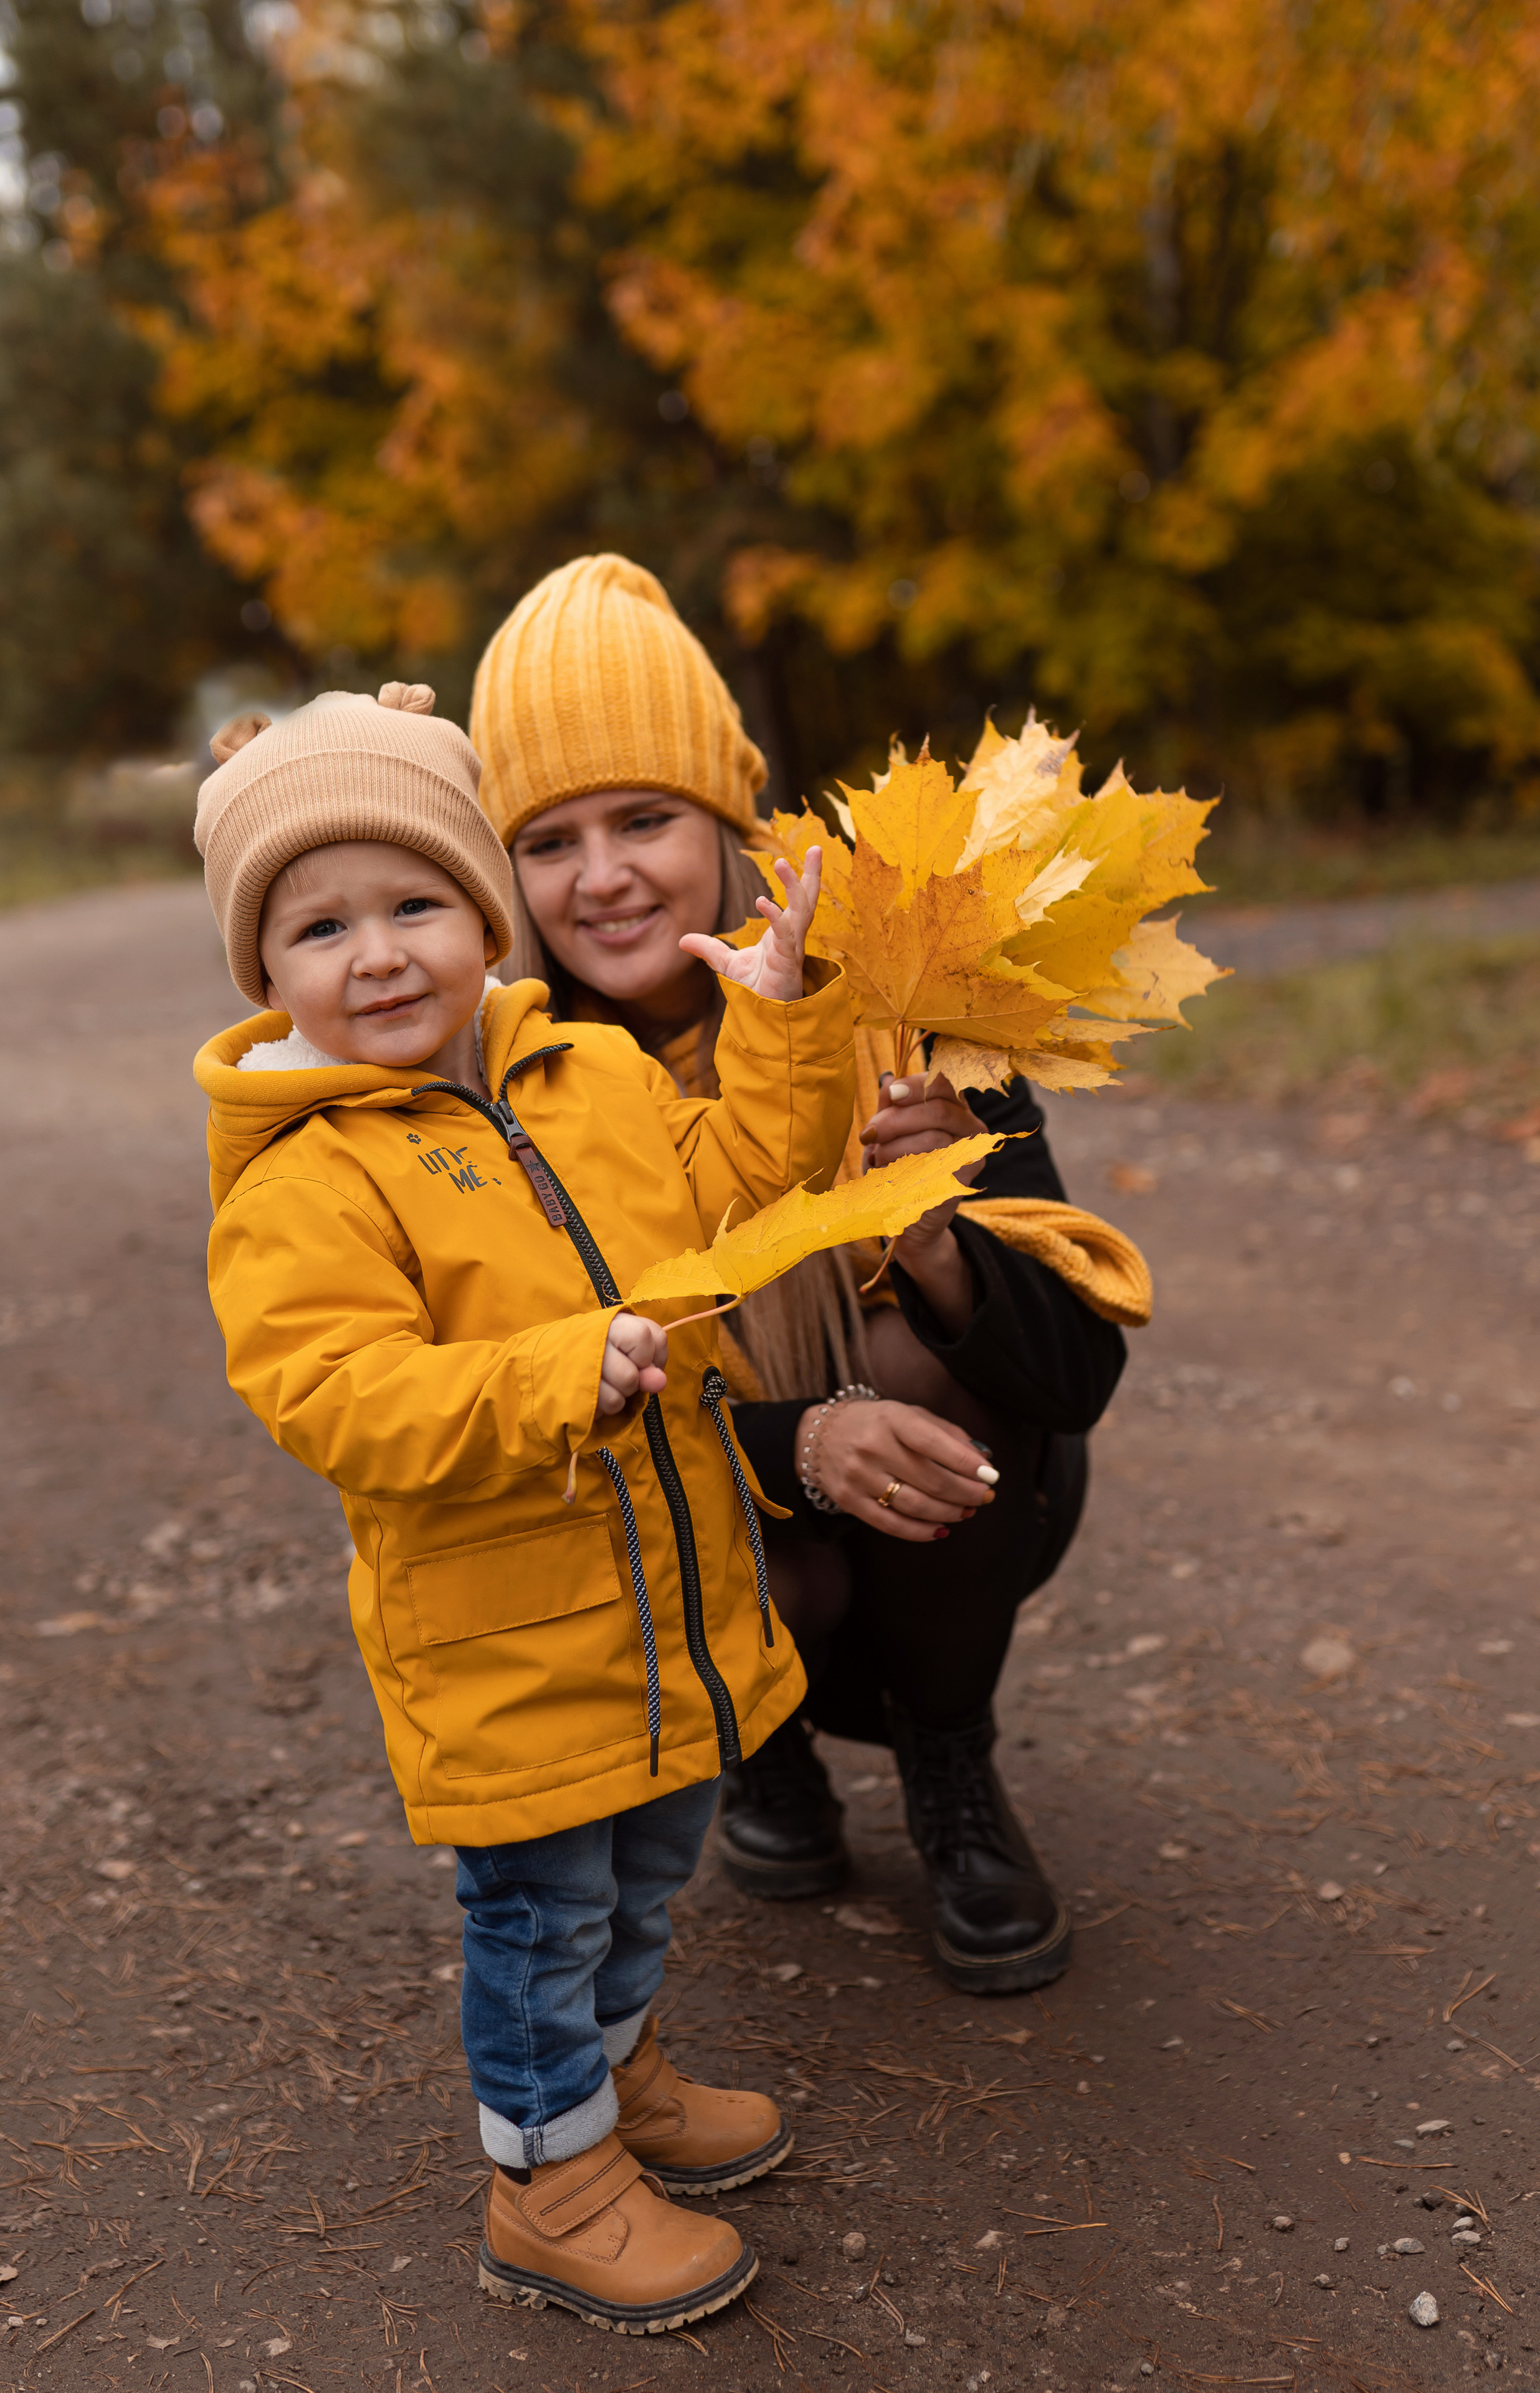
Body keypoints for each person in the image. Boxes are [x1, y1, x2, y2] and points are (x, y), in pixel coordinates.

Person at [191, 680, 868, 2334]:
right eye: (320, 928)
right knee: (541, 1915)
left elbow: (738, 1186)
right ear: (265, 973)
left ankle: (619, 2078)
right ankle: (549, 2185)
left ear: (484, 918)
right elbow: (336, 1397)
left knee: (647, 1875)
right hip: (506, 1648)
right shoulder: (306, 1179)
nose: (378, 957)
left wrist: (781, 1028)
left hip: (663, 1612)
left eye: (414, 905)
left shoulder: (588, 1073)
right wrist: (555, 1374)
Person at [470, 555, 1149, 1999]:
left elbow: (1075, 1378)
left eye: (643, 819)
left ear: (726, 821)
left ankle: (949, 1763)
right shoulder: (505, 1085)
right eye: (548, 840)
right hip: (689, 1530)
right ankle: (761, 1749)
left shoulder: (900, 997)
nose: (601, 878)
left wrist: (938, 1240)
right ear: (503, 873)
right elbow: (540, 1424)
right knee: (697, 1469)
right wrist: (797, 1445)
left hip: (947, 1522)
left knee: (915, 1363)